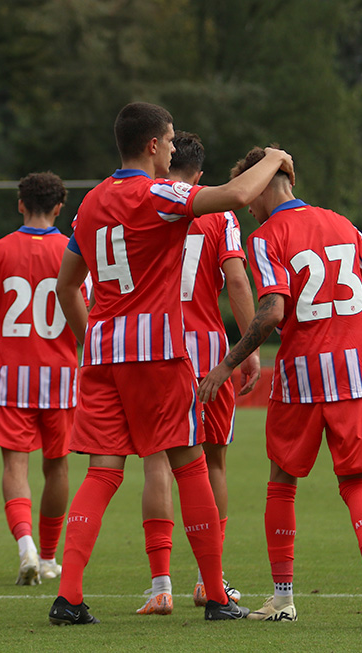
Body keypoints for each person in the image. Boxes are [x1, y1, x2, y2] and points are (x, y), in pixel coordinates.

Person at [48, 102, 294, 625]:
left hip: (103, 353)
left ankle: (68, 597)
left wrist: (90, 333)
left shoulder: (90, 202)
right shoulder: (159, 192)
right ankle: (216, 595)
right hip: (157, 353)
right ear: (154, 145)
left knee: (103, 469)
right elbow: (237, 196)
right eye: (170, 138)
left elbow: (67, 284)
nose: (172, 147)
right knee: (190, 463)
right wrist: (273, 157)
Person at [199, 145, 362, 628]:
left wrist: (226, 365)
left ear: (267, 181)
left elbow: (272, 311)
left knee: (282, 482)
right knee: (355, 481)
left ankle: (284, 598)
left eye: (250, 196)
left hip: (304, 375)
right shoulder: (341, 223)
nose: (248, 206)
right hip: (356, 373)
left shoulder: (266, 235)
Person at [135, 132, 261, 616]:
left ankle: (160, 583)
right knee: (213, 463)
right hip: (208, 351)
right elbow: (235, 278)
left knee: (157, 463)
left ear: (167, 164)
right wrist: (247, 347)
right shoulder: (220, 214)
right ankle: (211, 579)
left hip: (154, 347)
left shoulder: (145, 204)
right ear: (202, 176)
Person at [0, 172, 80, 586]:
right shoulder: (73, 250)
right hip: (59, 375)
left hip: (11, 374)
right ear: (59, 208)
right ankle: (50, 557)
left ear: (20, 204)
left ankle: (26, 549)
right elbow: (82, 310)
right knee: (57, 467)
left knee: (14, 465)